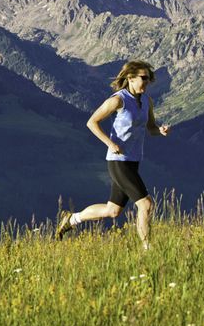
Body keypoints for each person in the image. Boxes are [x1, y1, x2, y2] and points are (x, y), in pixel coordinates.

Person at [56, 60, 170, 248]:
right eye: (143, 78)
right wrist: (110, 143)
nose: (146, 82)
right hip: (118, 161)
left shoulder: (146, 101)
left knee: (113, 210)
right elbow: (92, 122)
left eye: (148, 79)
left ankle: (72, 219)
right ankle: (147, 249)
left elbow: (151, 128)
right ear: (130, 78)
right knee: (146, 204)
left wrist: (161, 131)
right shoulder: (118, 100)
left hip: (133, 160)